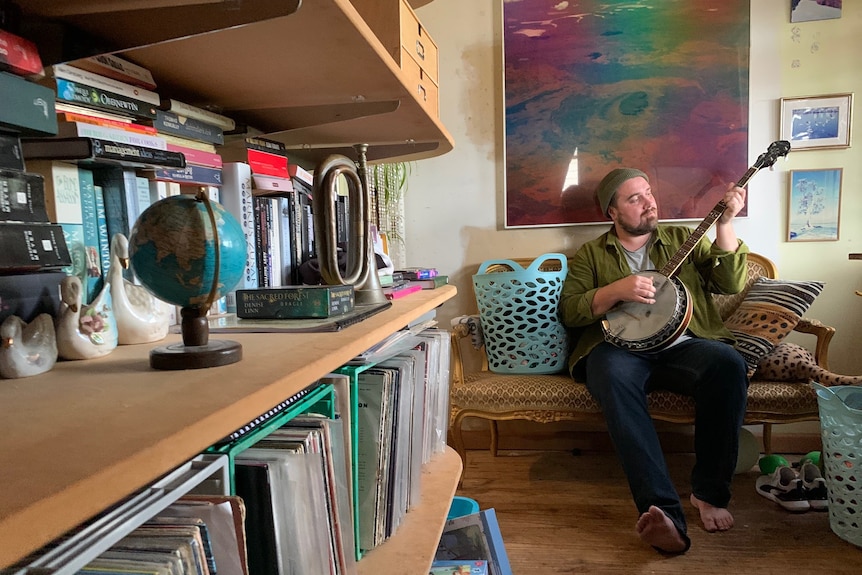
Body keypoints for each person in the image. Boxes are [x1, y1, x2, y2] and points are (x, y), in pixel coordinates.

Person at [559, 168, 750, 554]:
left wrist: (725, 226)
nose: (649, 202)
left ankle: (709, 494)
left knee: (727, 363)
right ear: (612, 213)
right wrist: (614, 290)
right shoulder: (592, 254)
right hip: (619, 350)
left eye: (648, 192)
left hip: (684, 346)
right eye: (634, 198)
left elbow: (729, 284)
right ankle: (662, 512)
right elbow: (570, 311)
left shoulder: (680, 238)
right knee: (610, 374)